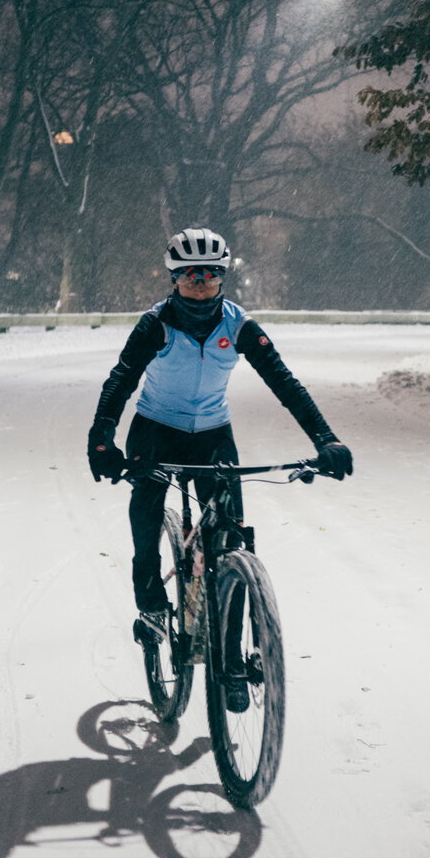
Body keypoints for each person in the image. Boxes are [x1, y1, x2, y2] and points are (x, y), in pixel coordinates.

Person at [87, 228, 353, 642]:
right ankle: (152, 605)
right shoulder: (155, 325)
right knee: (146, 513)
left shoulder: (239, 325)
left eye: (211, 274)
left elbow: (285, 383)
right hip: (155, 430)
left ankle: (228, 651)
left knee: (231, 538)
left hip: (213, 433)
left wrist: (326, 439)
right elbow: (120, 381)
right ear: (174, 278)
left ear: (222, 277)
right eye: (190, 274)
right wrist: (102, 439)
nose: (200, 283)